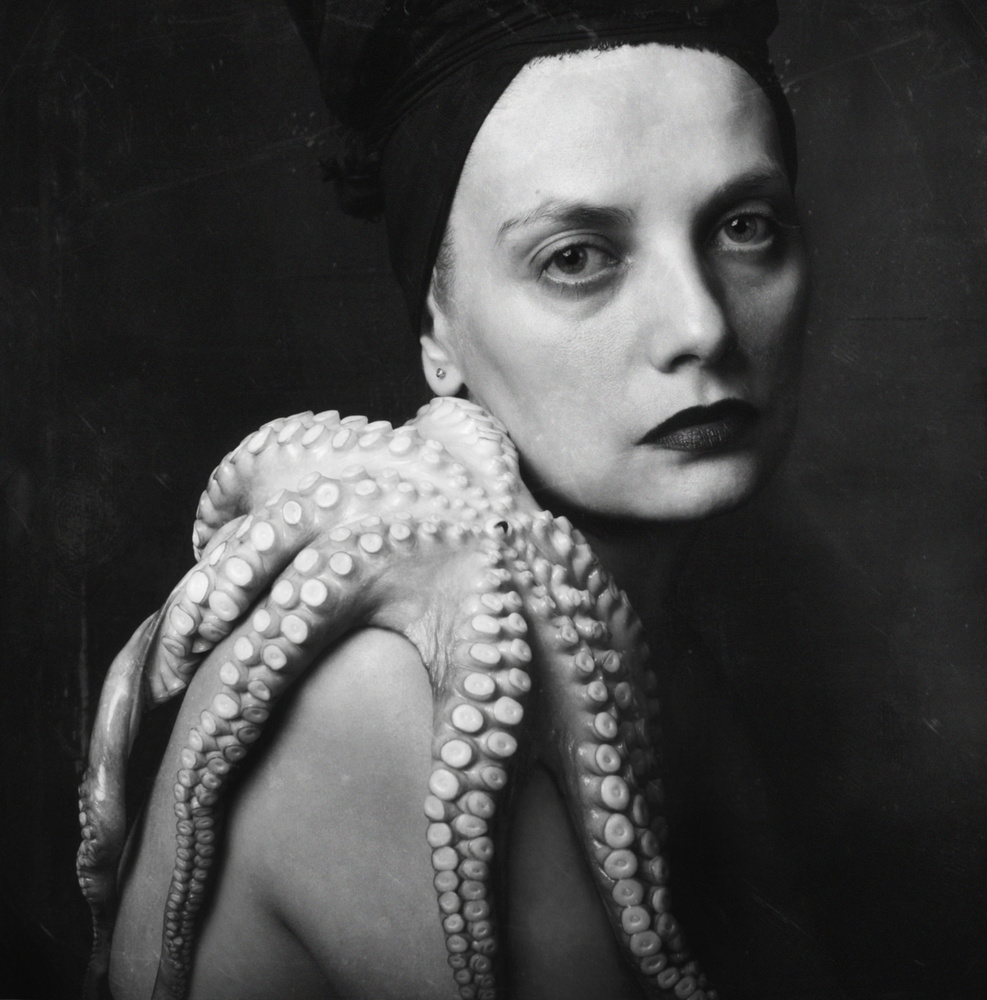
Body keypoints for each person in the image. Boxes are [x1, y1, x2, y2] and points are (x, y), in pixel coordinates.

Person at [80, 2, 831, 998]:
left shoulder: (666, 660)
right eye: (575, 257)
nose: (700, 325)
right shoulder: (384, 693)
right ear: (437, 323)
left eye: (745, 228)